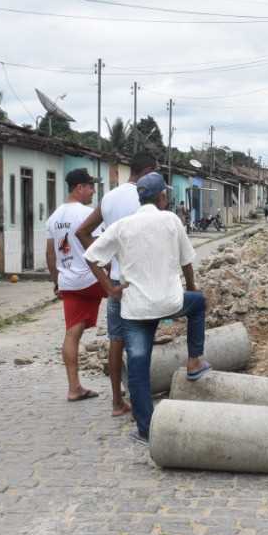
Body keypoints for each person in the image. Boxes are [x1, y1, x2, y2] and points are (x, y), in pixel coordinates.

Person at [84, 172, 210, 445]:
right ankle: (194, 361)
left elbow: (91, 256)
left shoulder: (122, 226)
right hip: (170, 302)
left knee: (139, 367)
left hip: (136, 309)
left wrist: (110, 289)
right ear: (162, 197)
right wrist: (191, 287)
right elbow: (187, 261)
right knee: (198, 304)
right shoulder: (172, 221)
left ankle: (146, 429)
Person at [76, 152, 153, 418]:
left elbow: (82, 232)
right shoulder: (147, 197)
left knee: (117, 341)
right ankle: (141, 403)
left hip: (117, 283)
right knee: (141, 341)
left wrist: (106, 263)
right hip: (142, 283)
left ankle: (117, 403)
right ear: (148, 171)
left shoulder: (109, 198)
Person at [45, 168, 102, 403]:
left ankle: (74, 388)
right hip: (93, 279)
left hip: (68, 281)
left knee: (72, 333)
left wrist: (56, 281)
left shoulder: (54, 217)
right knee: (128, 309)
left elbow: (50, 253)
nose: (93, 191)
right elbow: (101, 246)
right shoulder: (87, 214)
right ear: (79, 187)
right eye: (90, 187)